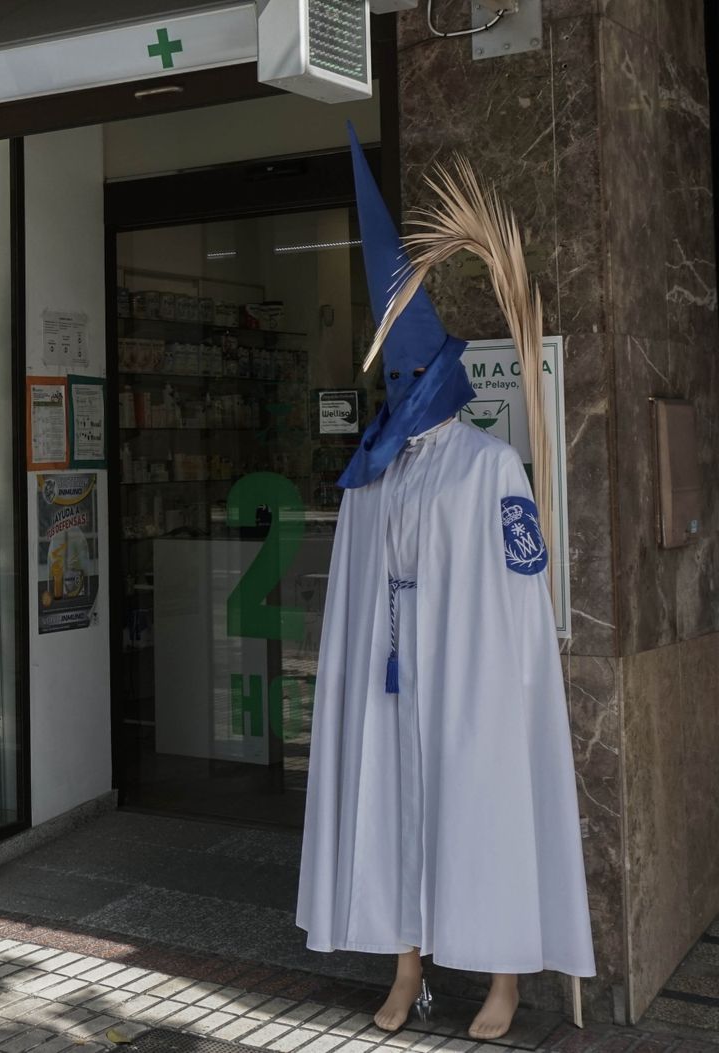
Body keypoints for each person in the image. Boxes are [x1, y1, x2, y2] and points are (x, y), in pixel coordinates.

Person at [296, 129, 594, 1040]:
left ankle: (501, 980)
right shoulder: (375, 470)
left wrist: (508, 674)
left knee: (483, 812)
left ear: (443, 375)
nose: (401, 385)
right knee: (396, 813)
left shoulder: (490, 467)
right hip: (395, 672)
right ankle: (406, 966)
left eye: (412, 371)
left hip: (471, 675)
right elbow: (357, 584)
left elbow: (517, 584)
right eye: (393, 372)